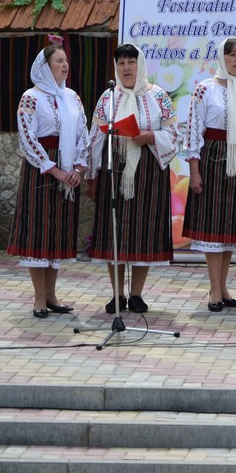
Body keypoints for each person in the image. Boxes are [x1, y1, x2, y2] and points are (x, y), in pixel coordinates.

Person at [84, 44, 181, 314]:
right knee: (113, 229)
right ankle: (117, 294)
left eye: (131, 62)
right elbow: (95, 137)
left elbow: (175, 133)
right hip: (115, 169)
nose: (126, 67)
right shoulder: (108, 97)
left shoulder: (159, 96)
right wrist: (92, 175)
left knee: (144, 229)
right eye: (121, 63)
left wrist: (152, 136)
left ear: (141, 65)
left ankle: (136, 293)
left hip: (149, 169)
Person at [7, 42, 89, 318]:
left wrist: (78, 168)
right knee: (39, 233)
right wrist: (54, 170)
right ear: (44, 67)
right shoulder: (31, 97)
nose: (65, 65)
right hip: (41, 171)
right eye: (58, 61)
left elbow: (83, 133)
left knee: (57, 233)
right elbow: (28, 138)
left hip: (68, 170)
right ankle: (39, 298)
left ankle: (52, 295)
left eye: (66, 61)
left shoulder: (72, 97)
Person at [183, 37, 236, 312]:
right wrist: (194, 171)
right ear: (221, 57)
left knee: (230, 229)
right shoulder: (205, 89)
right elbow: (193, 131)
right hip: (214, 159)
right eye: (231, 55)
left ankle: (223, 286)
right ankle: (215, 289)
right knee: (213, 226)